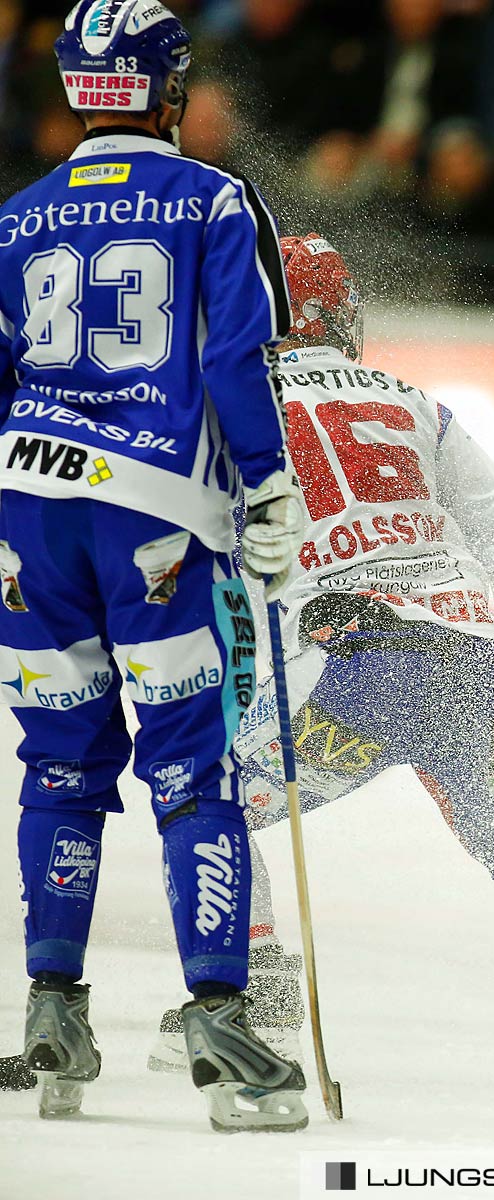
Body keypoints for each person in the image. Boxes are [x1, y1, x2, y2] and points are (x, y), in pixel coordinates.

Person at [136, 233, 494, 1071]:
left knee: (200, 797)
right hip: (471, 656)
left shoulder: (206, 404)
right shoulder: (411, 399)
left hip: (343, 668)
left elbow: (171, 549)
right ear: (340, 314)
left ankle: (253, 996)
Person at [0, 0, 308, 1130]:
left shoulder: (14, 219)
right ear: (167, 87)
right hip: (158, 521)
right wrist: (269, 485)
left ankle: (52, 1008)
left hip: (26, 518)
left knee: (61, 766)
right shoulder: (214, 199)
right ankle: (221, 1018)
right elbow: (235, 356)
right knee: (191, 772)